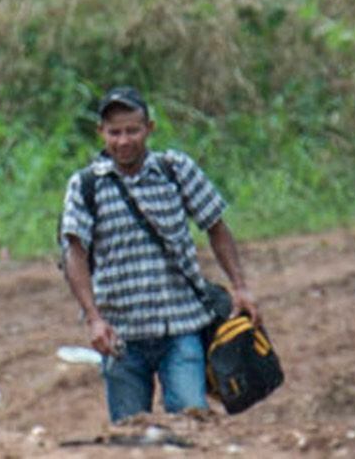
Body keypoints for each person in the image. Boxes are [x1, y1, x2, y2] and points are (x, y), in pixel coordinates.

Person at [60, 87, 260, 424]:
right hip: (120, 336)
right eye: (115, 132)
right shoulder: (86, 186)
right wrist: (93, 317)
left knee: (192, 424)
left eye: (132, 130)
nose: (124, 141)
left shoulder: (176, 171)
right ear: (101, 133)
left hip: (180, 327)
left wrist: (240, 286)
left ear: (149, 128)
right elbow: (74, 253)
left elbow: (216, 226)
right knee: (129, 434)